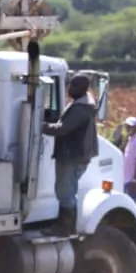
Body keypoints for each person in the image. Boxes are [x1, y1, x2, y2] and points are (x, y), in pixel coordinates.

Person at [41, 73, 98, 236]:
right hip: (74, 155)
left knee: (65, 192)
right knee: (65, 191)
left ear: (82, 88)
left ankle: (64, 227)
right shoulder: (82, 105)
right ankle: (65, 226)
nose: (70, 89)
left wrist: (40, 126)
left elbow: (62, 129)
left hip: (72, 156)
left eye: (74, 86)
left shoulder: (80, 109)